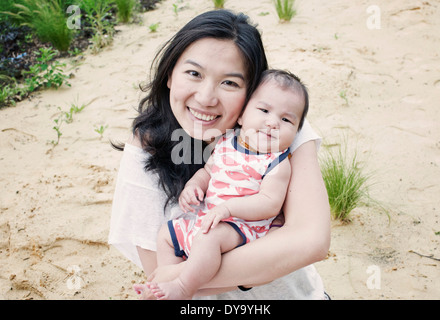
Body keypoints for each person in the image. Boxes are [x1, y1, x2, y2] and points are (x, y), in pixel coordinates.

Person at [108, 9, 330, 300]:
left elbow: (311, 242)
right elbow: (158, 265)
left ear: (251, 92)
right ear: (170, 75)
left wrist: (180, 277)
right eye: (194, 73)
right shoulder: (146, 148)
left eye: (230, 83)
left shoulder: (277, 126)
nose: (206, 98)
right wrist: (266, 260)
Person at [146, 70, 308, 300]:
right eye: (264, 111)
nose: (272, 123)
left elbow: (269, 203)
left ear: (297, 131)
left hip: (245, 227)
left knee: (207, 238)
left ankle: (183, 287)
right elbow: (208, 171)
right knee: (166, 234)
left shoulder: (276, 162)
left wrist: (229, 209)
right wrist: (194, 186)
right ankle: (167, 281)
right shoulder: (226, 142)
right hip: (211, 217)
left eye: (286, 120)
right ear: (241, 116)